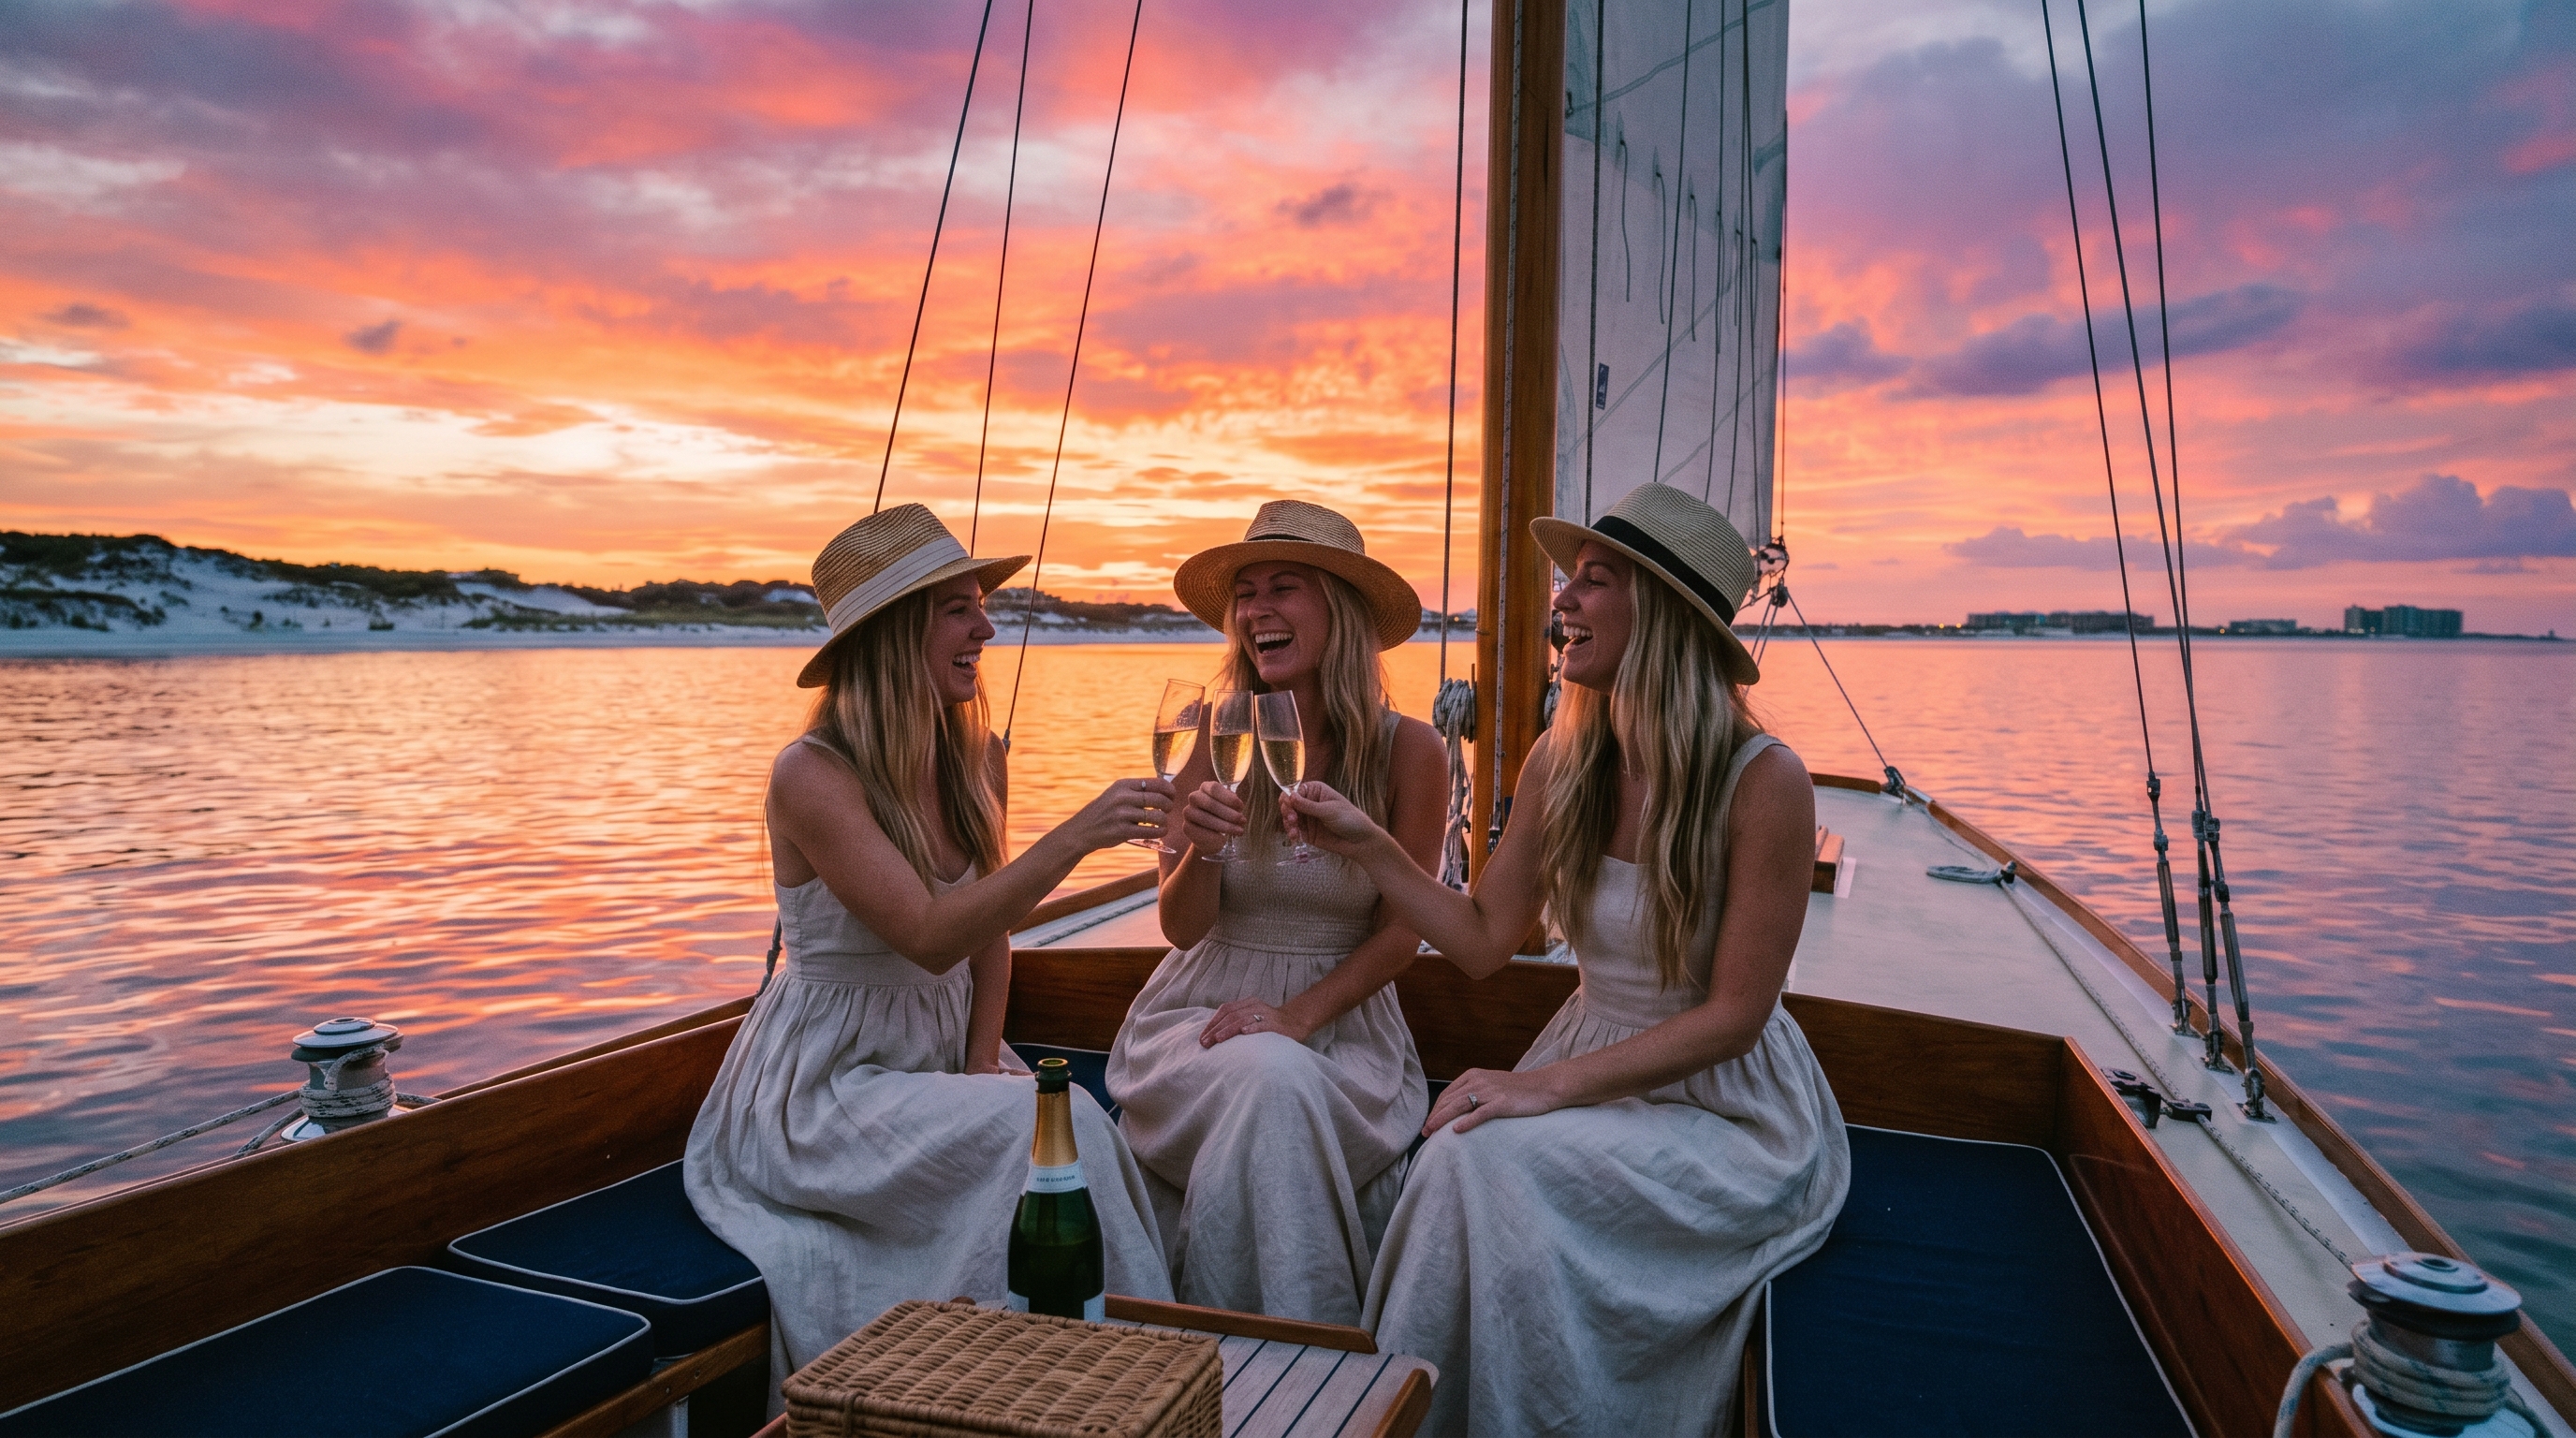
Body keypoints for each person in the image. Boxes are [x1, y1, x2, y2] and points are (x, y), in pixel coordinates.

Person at [1284, 484, 1851, 1436]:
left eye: (1594, 581)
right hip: (1587, 1060)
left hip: (1724, 1106)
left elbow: (1733, 1016)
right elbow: (1478, 942)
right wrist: (1372, 848)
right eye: (1567, 583)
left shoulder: (1765, 781)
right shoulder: (1564, 758)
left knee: (1483, 1160)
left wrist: (1542, 1090)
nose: (1562, 603)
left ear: (1662, 612)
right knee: (1462, 1157)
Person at [685, 504, 1178, 1383]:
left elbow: (988, 935)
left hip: (939, 1054)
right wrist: (1076, 836)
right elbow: (926, 937)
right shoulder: (813, 775)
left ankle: (1090, 1378)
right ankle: (1087, 1376)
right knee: (1050, 1140)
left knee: (1067, 1130)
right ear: (892, 632)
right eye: (958, 608)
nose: (985, 625)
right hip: (822, 1087)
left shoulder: (971, 755)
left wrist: (979, 1061)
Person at [1105, 500, 1447, 1325]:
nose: (1258, 610)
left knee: (1276, 1076)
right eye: (1246, 594)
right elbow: (1180, 928)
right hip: (1199, 1012)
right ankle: (1271, 1342)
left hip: (1340, 1024)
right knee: (1262, 1073)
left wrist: (1296, 1019)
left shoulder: (1412, 751)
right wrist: (1205, 851)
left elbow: (1405, 929)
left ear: (1343, 612)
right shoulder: (1206, 732)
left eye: (1284, 588)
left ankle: (1283, 1352)